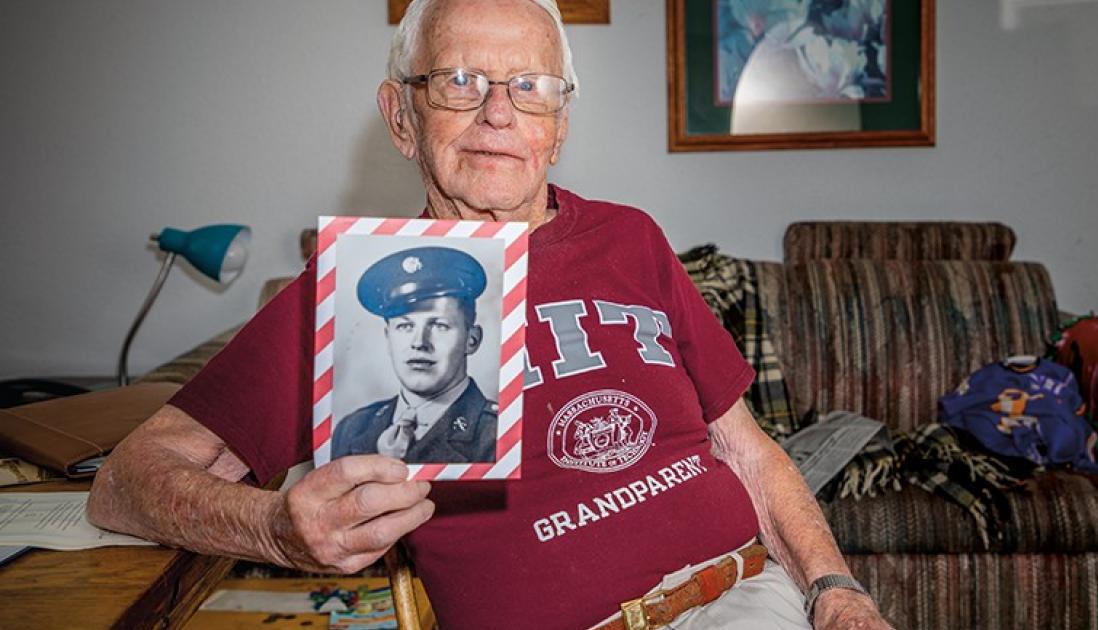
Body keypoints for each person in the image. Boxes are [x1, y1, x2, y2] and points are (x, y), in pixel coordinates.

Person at [86, 1, 892, 628]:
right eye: (459, 81)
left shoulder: (631, 238)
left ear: (559, 124)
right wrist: (274, 528)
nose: (498, 113)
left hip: (753, 598)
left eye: (530, 87)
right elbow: (125, 483)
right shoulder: (346, 292)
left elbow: (747, 452)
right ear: (402, 117)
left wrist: (834, 590)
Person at [332, 247, 498, 463]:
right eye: (405, 326)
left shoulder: (497, 433)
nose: (419, 343)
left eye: (439, 325)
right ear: (388, 337)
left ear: (471, 340)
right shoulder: (352, 428)